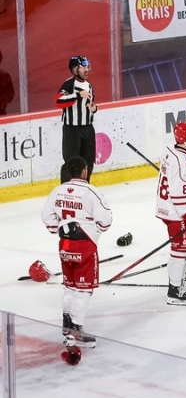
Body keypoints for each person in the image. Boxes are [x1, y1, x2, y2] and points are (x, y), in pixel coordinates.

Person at [41, 156, 113, 348]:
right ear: (84, 171)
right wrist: (93, 231)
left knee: (70, 287)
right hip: (85, 246)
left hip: (64, 246)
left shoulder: (58, 190)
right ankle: (75, 333)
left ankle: (67, 327)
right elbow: (105, 220)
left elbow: (46, 216)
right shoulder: (91, 191)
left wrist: (60, 229)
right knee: (83, 291)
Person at [156, 122, 186, 306]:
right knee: (180, 250)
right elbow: (178, 193)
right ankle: (174, 291)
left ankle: (179, 282)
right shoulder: (183, 160)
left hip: (169, 208)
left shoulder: (171, 151)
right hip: (176, 212)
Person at [57, 55, 98, 184]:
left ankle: (84, 188)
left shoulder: (89, 85)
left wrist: (94, 108)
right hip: (72, 130)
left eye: (87, 66)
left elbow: (91, 104)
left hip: (88, 128)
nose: (87, 70)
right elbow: (59, 101)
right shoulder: (69, 84)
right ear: (75, 70)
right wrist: (78, 95)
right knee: (71, 162)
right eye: (83, 67)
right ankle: (66, 190)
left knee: (88, 161)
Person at [0, 48, 14, 115]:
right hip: (2, 112)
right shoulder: (5, 75)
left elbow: (10, 96)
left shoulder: (5, 76)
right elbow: (10, 96)